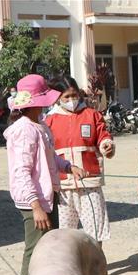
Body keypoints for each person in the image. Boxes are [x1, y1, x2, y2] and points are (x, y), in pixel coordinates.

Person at [3, 74, 86, 275]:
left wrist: (68, 167)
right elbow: (22, 171)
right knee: (35, 252)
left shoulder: (39, 126)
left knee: (49, 251)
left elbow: (49, 159)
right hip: (34, 202)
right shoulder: (24, 131)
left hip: (47, 197)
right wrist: (35, 206)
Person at [46, 75, 115, 246]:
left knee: (95, 230)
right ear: (57, 98)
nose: (71, 100)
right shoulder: (49, 121)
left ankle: (96, 267)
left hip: (89, 182)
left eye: (74, 95)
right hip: (63, 186)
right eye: (66, 97)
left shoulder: (92, 115)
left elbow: (103, 136)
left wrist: (107, 145)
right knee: (64, 234)